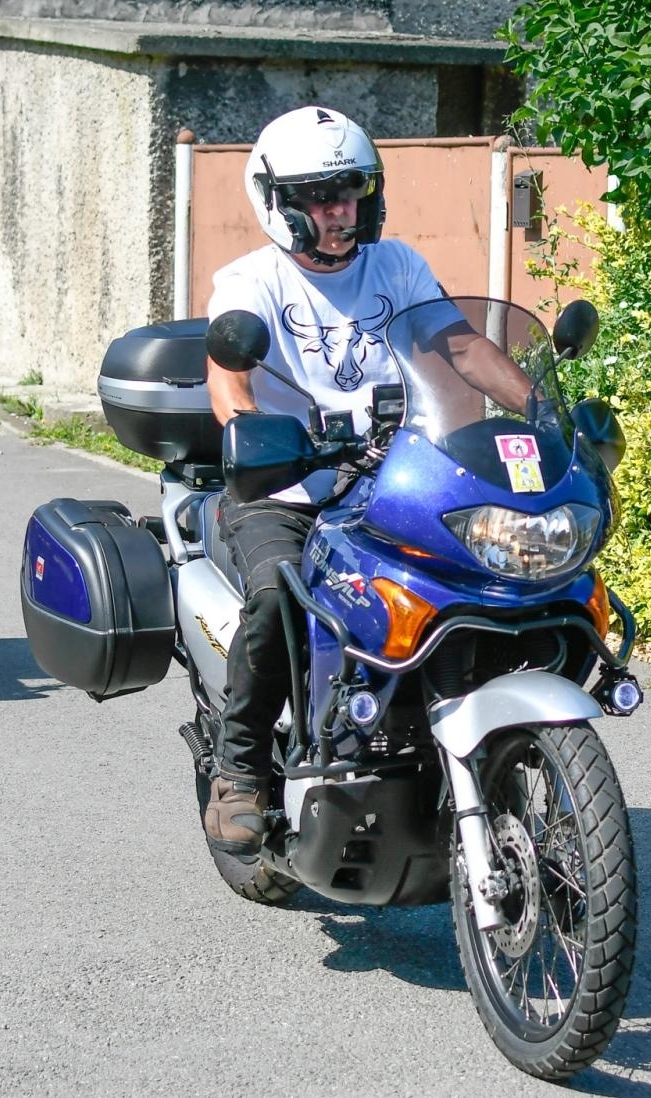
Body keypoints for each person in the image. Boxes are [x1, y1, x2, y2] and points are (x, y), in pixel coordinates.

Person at [201, 106, 534, 858]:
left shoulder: (398, 268)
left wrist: (538, 403)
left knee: (480, 569)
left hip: (396, 475)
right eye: (322, 197)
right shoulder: (250, 280)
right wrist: (254, 439)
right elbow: (230, 379)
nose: (341, 210)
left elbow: (461, 346)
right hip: (287, 486)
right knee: (276, 597)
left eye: (351, 191)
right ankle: (242, 770)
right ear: (279, 202)